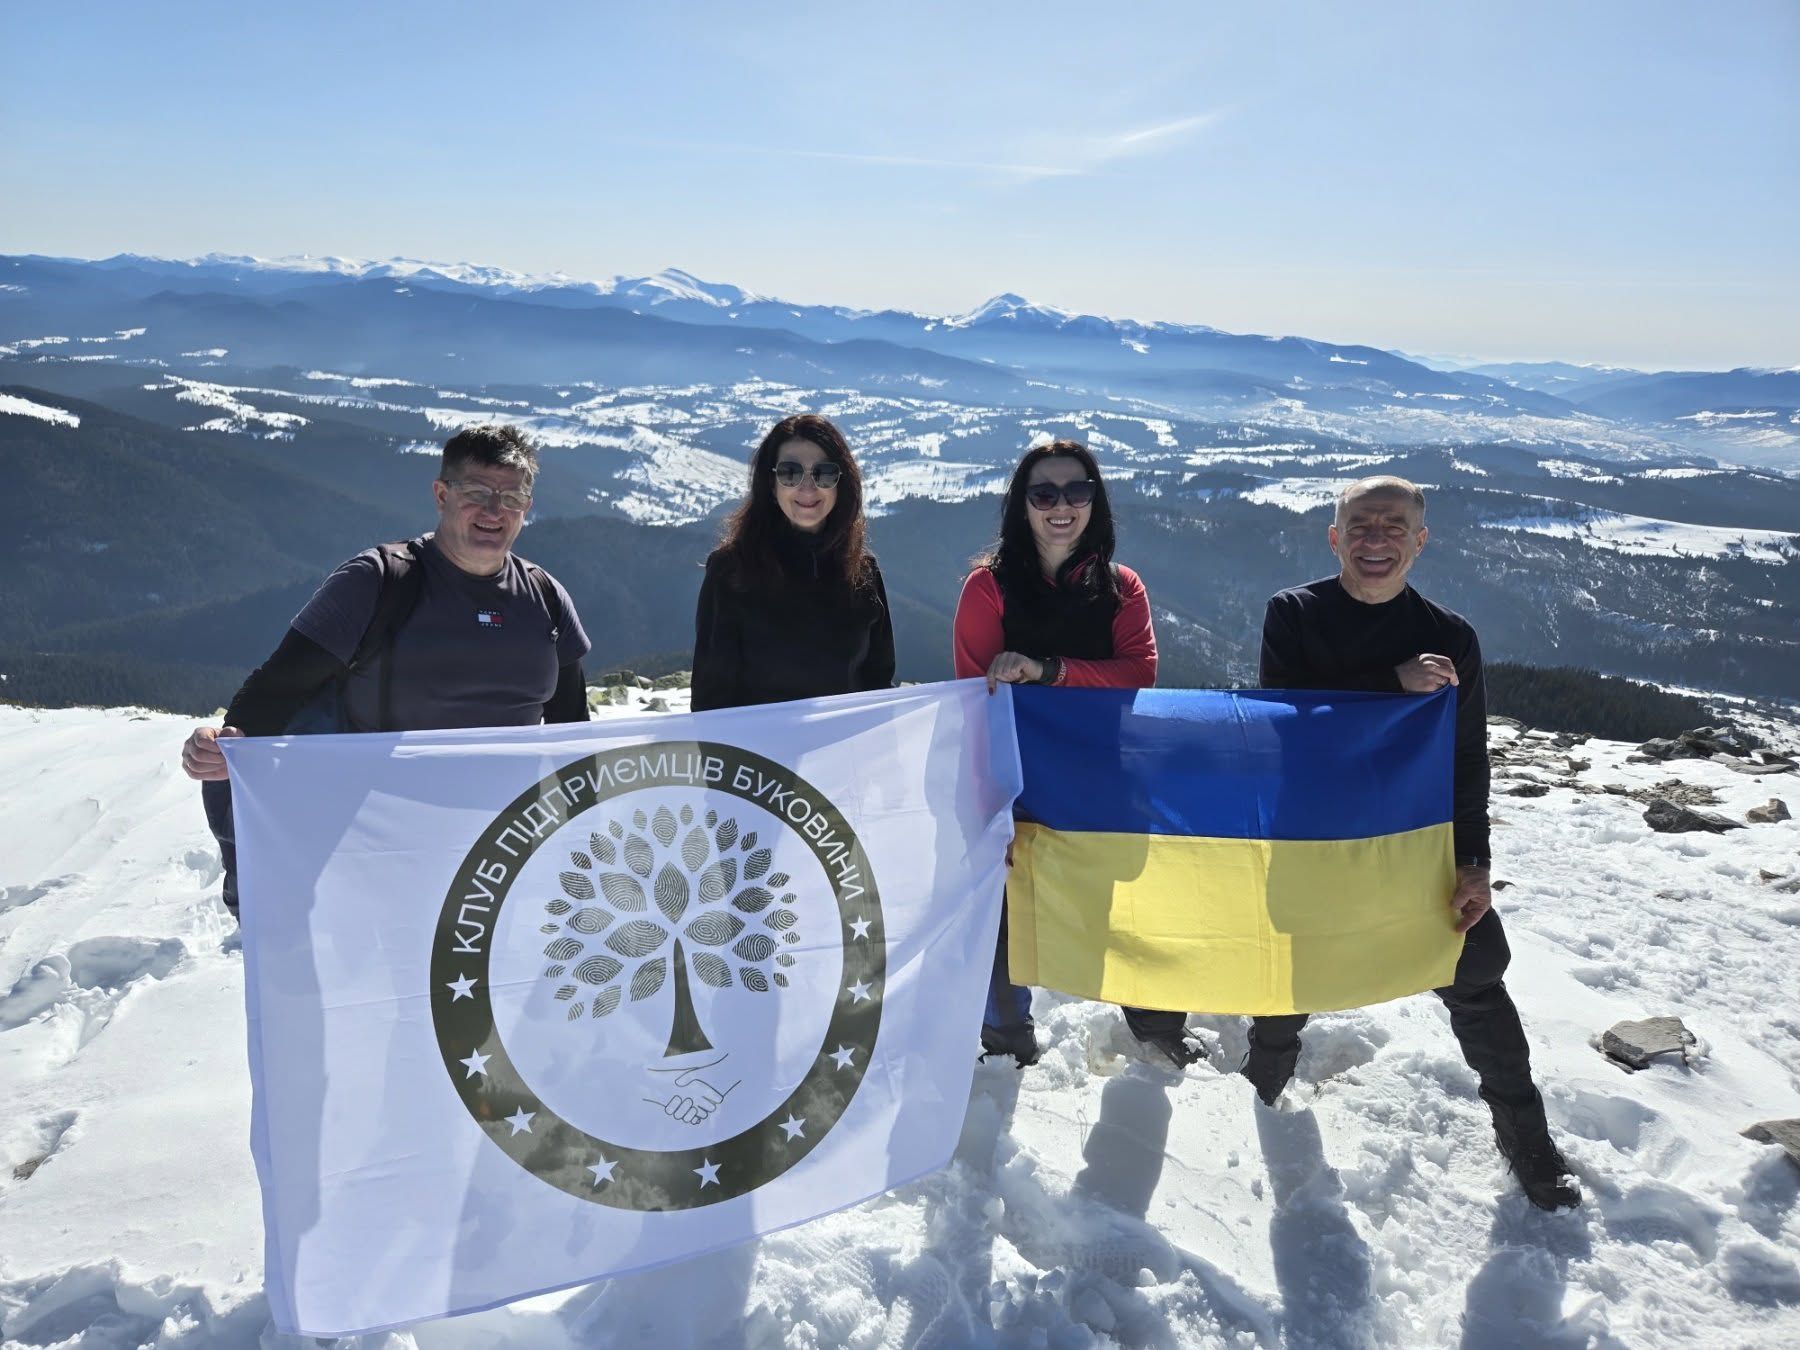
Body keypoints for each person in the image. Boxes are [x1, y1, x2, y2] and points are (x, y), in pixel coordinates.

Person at [1247, 474, 1578, 1210]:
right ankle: (1261, 1084)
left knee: (1476, 973)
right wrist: (1388, 684)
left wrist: (1474, 863)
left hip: (1413, 843)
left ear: (1419, 541)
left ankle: (1526, 1137)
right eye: (1360, 525)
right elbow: (1283, 724)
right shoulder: (1294, 615)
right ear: (1334, 537)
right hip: (1314, 839)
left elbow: (1467, 758)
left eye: (1394, 526)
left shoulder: (1452, 637)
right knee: (1291, 976)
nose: (1376, 538)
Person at [181, 424, 592, 916]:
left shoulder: (545, 598)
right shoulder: (380, 580)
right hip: (378, 849)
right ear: (442, 494)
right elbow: (278, 687)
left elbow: (572, 729)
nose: (493, 510)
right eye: (477, 492)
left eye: (512, 495)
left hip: (501, 857)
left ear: (527, 506)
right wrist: (227, 745)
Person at [952, 440, 1195, 1070]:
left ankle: (1157, 1025)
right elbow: (972, 701)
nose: (1062, 506)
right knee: (1005, 915)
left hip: (1101, 777)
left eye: (1077, 491)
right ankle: (1006, 1041)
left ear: (1096, 498)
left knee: (1123, 906)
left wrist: (1048, 671)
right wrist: (985, 803)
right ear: (1022, 506)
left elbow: (1140, 672)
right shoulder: (989, 589)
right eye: (1044, 494)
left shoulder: (1121, 588)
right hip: (1020, 780)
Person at [690, 413, 894, 711]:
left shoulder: (862, 573)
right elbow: (711, 701)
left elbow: (878, 685)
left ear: (841, 483)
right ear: (771, 484)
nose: (808, 488)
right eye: (790, 473)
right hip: (760, 756)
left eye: (824, 473)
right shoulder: (732, 573)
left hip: (843, 754)